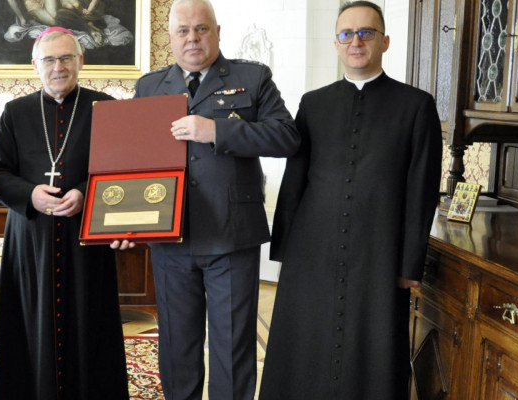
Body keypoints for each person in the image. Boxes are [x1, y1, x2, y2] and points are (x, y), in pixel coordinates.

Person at [112, 0, 300, 398]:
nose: (192, 38)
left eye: (201, 28)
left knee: (232, 344)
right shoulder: (150, 86)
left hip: (232, 236)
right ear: (170, 37)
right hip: (170, 236)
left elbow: (285, 137)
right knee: (177, 344)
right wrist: (126, 219)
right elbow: (135, 158)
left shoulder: (253, 77)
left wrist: (216, 131)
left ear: (217, 31)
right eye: (183, 30)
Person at [259, 2, 443, 399]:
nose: (356, 41)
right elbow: (296, 180)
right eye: (347, 34)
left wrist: (410, 263)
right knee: (307, 342)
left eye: (366, 33)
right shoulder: (313, 102)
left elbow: (422, 189)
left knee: (372, 345)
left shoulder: (417, 105)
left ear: (385, 41)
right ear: (336, 43)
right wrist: (284, 249)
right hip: (313, 248)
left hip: (379, 251)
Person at [0, 27, 129, 400]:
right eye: (49, 60)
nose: (58, 67)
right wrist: (30, 194)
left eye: (66, 58)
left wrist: (84, 192)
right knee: (31, 321)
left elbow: (119, 171)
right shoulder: (15, 112)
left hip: (86, 240)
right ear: (35, 65)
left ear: (81, 61)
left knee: (89, 323)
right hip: (32, 240)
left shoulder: (105, 107)